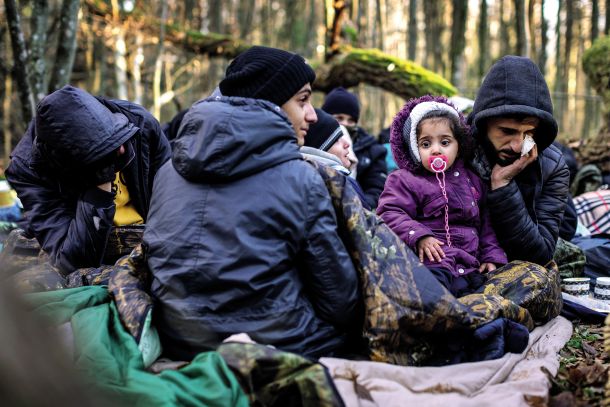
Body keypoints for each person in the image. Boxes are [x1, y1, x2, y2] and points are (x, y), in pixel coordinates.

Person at [144, 46, 360, 360]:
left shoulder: (167, 170)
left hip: (177, 338)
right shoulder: (301, 177)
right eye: (303, 100)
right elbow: (341, 301)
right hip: (278, 344)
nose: (313, 114)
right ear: (270, 103)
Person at [5, 85, 171, 274]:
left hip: (153, 242)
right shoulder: (28, 170)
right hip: (98, 257)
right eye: (107, 149)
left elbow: (173, 204)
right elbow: (71, 261)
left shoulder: (138, 124)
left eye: (119, 138)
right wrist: (101, 181)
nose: (123, 149)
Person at [377, 96, 507, 296]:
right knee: (435, 298)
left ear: (459, 144)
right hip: (432, 265)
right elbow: (389, 212)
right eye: (426, 144)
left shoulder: (473, 181)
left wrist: (491, 256)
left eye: (445, 142)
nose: (436, 150)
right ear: (414, 148)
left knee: (489, 297)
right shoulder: (405, 180)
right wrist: (418, 235)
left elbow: (486, 226)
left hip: (469, 266)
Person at [468, 56, 570, 265]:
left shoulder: (553, 166)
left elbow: (539, 256)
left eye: (529, 132)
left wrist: (503, 186)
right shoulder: (453, 150)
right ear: (484, 123)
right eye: (507, 131)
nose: (517, 145)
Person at [322, 87, 387, 208]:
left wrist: (356, 206)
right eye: (339, 118)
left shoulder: (373, 150)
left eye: (351, 120)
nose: (345, 124)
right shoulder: (314, 142)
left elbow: (377, 190)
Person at [303, 108, 370, 208]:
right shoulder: (343, 183)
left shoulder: (303, 178)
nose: (347, 144)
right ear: (321, 149)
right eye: (337, 140)